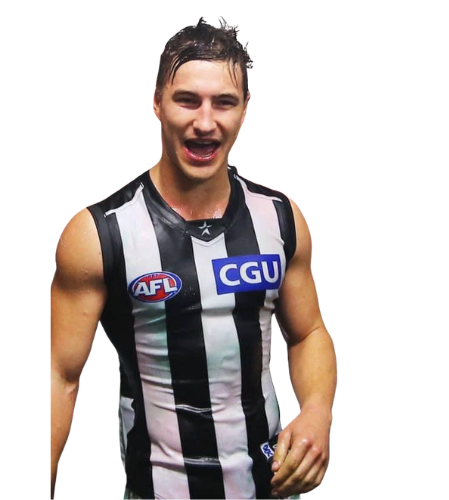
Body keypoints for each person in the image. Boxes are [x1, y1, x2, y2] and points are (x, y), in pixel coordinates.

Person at [50, 15, 338, 500]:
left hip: (271, 487)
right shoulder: (98, 233)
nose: (205, 123)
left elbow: (308, 333)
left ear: (244, 110)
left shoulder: (281, 218)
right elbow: (58, 376)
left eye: (223, 102)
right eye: (187, 100)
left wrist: (316, 412)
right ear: (157, 102)